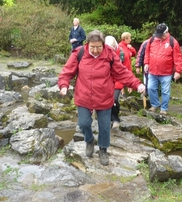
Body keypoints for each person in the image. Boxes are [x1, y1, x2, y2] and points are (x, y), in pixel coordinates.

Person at [58, 30, 145, 166]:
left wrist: (137, 84)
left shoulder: (110, 55)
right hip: (84, 95)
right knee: (83, 123)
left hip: (104, 96)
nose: (96, 50)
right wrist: (64, 85)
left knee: (104, 126)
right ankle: (89, 140)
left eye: (99, 47)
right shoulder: (79, 53)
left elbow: (122, 73)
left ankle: (103, 149)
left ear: (103, 45)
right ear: (87, 44)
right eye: (93, 47)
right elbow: (67, 71)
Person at [144, 23, 182, 115]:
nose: (158, 37)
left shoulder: (173, 42)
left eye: (160, 35)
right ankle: (155, 104)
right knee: (150, 88)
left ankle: (164, 108)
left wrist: (178, 71)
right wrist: (146, 63)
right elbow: (147, 52)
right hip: (153, 71)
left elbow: (178, 58)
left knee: (165, 91)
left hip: (166, 72)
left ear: (166, 33)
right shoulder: (152, 39)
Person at [104, 35, 127, 128]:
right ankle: (108, 119)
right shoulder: (102, 52)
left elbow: (126, 71)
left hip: (118, 80)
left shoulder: (121, 54)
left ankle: (115, 118)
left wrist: (125, 84)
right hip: (106, 82)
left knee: (114, 99)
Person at [118, 32, 137, 96]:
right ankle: (122, 94)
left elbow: (134, 54)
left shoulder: (128, 46)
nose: (130, 39)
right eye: (129, 38)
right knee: (121, 84)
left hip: (129, 69)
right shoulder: (120, 47)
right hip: (123, 69)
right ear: (125, 39)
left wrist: (131, 48)